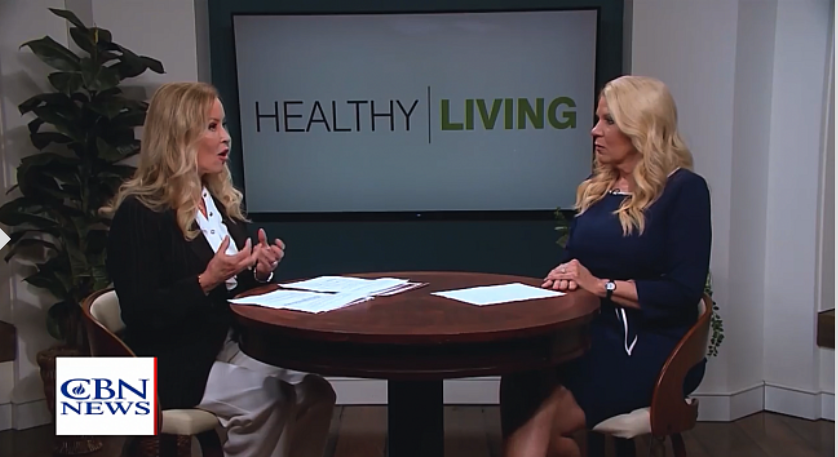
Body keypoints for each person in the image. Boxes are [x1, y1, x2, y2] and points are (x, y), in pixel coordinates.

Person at [102, 82, 336, 457]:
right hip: (172, 360)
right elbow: (141, 312)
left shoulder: (216, 203)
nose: (225, 137)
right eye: (211, 127)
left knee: (316, 392)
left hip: (225, 344)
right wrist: (205, 280)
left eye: (222, 125)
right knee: (269, 401)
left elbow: (231, 288)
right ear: (178, 136)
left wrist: (258, 272)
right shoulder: (141, 212)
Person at [499, 75, 711, 457]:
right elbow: (577, 258)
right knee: (522, 372)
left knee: (539, 417)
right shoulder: (598, 188)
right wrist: (566, 274)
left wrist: (602, 286)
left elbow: (684, 292)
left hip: (650, 344)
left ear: (641, 126)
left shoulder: (684, 190)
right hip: (590, 332)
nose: (594, 130)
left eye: (609, 120)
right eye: (598, 119)